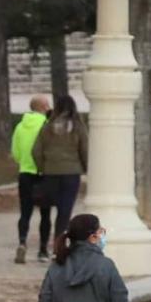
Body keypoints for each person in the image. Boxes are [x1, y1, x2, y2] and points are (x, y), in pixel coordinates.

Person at [33, 94, 87, 252]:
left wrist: (43, 167)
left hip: (51, 172)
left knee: (47, 210)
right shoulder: (77, 127)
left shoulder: (47, 127)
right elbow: (85, 148)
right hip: (71, 173)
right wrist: (85, 167)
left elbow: (36, 151)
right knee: (65, 211)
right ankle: (59, 245)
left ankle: (44, 247)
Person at [11, 95, 51, 264]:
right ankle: (42, 250)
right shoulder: (46, 125)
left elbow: (15, 152)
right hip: (43, 173)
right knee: (45, 213)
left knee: (25, 212)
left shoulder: (20, 126)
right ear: (43, 107)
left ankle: (22, 241)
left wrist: (24, 162)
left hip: (25, 172)